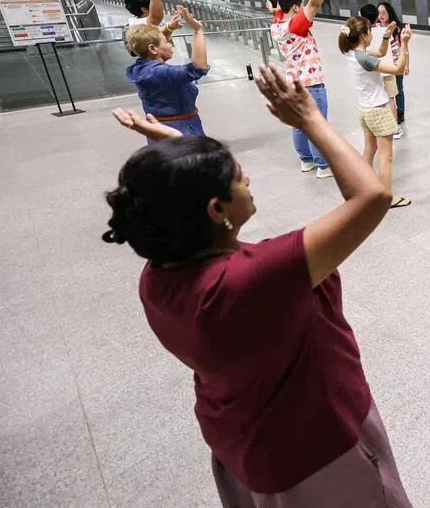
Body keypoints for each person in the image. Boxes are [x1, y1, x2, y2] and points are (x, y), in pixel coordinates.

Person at [102, 64, 411, 508]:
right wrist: (309, 117)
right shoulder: (257, 280)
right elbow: (371, 197)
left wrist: (173, 149)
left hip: (244, 441)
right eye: (239, 178)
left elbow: (194, 217)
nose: (248, 181)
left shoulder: (162, 275)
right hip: (319, 448)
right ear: (214, 209)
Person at [338, 17, 413, 210]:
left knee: (369, 151)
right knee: (386, 157)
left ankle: (362, 188)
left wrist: (386, 37)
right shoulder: (365, 58)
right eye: (370, 31)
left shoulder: (355, 53)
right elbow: (397, 69)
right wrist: (404, 44)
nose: (372, 33)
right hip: (378, 111)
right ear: (363, 35)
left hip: (365, 110)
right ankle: (386, 198)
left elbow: (380, 52)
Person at [271, 0, 337, 178]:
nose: (304, 5)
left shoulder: (277, 23)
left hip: (292, 83)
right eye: (300, 3)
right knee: (316, 125)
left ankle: (306, 161)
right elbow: (315, 3)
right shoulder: (297, 25)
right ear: (296, 8)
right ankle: (323, 166)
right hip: (311, 83)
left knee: (299, 124)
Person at [124, 6, 208, 140]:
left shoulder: (142, 68)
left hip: (160, 130)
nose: (171, 45)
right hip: (181, 131)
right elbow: (197, 67)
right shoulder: (160, 72)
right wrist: (197, 30)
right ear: (152, 49)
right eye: (167, 42)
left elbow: (153, 42)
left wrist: (170, 27)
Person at [375, 2, 408, 133]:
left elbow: (404, 46)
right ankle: (390, 112)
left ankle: (400, 112)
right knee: (388, 91)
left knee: (399, 89)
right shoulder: (376, 27)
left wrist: (406, 64)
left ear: (389, 12)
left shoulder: (398, 28)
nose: (381, 15)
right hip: (384, 64)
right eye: (379, 12)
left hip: (397, 62)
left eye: (383, 12)